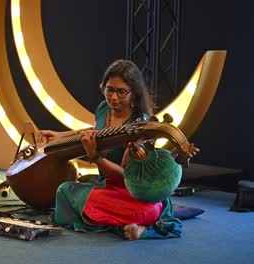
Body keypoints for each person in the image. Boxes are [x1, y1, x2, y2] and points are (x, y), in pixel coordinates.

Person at [39, 59, 182, 240]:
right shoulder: (103, 109)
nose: (114, 98)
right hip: (106, 187)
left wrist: (95, 156)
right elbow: (93, 132)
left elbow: (125, 176)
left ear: (134, 93)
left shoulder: (140, 125)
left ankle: (139, 227)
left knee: (147, 209)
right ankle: (125, 223)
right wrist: (60, 135)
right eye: (109, 90)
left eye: (121, 92)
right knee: (64, 190)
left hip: (133, 193)